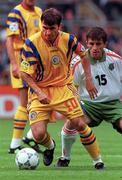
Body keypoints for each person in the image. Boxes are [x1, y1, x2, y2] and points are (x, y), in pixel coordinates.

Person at [20, 8, 104, 169]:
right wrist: (39, 92)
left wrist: (88, 79)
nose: (47, 32)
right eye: (44, 27)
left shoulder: (69, 40)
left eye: (52, 28)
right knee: (38, 135)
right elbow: (25, 74)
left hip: (63, 88)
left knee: (79, 123)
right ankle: (50, 147)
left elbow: (84, 55)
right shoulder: (31, 43)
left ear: (59, 26)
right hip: (40, 91)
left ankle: (97, 161)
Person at [56, 26, 122, 167]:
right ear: (86, 43)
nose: (95, 47)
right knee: (72, 122)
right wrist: (73, 104)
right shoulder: (77, 63)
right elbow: (70, 86)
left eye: (98, 44)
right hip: (89, 105)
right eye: (91, 43)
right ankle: (64, 158)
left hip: (113, 104)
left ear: (105, 44)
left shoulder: (116, 60)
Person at [6, 0, 42, 153]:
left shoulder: (39, 12)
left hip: (37, 62)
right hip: (22, 62)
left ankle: (28, 137)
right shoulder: (16, 13)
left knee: (44, 99)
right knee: (24, 102)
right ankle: (16, 143)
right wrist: (14, 63)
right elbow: (10, 39)